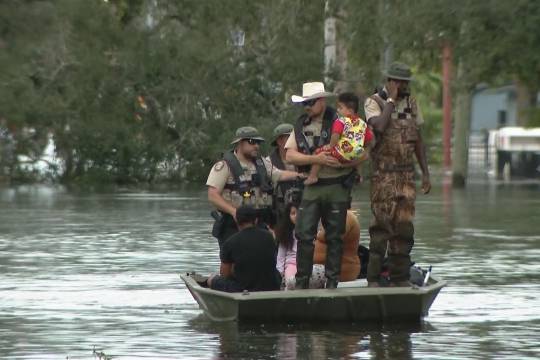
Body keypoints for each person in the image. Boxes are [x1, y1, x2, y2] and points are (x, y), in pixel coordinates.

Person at [285, 82, 369, 289]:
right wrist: (317, 161)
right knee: (304, 235)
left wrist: (346, 163)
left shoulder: (344, 122)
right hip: (312, 187)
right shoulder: (300, 125)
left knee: (335, 236)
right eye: (305, 103)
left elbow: (364, 151)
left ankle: (333, 283)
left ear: (322, 101)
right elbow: (290, 155)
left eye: (311, 102)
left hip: (337, 186)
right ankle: (301, 283)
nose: (307, 107)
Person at [363, 62, 431, 287]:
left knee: (404, 229)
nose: (403, 86)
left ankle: (399, 278)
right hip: (384, 176)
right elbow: (379, 127)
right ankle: (373, 279)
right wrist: (390, 101)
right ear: (389, 81)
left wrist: (426, 173)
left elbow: (418, 140)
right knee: (381, 228)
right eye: (399, 82)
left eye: (405, 83)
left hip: (406, 177)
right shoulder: (374, 102)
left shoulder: (412, 103)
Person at [207, 126, 299, 250]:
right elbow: (213, 195)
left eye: (258, 142)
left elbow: (280, 175)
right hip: (233, 223)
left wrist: (301, 175)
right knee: (234, 259)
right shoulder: (224, 166)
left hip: (258, 222)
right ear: (239, 143)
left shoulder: (262, 163)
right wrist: (234, 212)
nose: (256, 146)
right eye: (251, 142)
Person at [304, 92, 373, 185]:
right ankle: (359, 175)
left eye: (340, 108)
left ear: (349, 110)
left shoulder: (341, 121)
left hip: (341, 153)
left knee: (318, 152)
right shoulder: (362, 124)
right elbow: (368, 140)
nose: (338, 110)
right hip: (355, 155)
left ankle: (312, 176)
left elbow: (335, 135)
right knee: (358, 154)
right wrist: (358, 146)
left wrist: (330, 145)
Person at [208, 205, 281, 292]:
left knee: (211, 280)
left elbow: (224, 275)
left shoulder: (229, 243)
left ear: (236, 220)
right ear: (256, 220)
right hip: (272, 286)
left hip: (243, 289)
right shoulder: (269, 236)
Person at [275, 202, 326, 290]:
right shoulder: (286, 234)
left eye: (299, 212)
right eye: (293, 213)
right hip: (291, 264)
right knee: (292, 283)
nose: (296, 216)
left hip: (309, 264)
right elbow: (280, 258)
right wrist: (280, 274)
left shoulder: (313, 231)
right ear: (288, 216)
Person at [267, 123, 300, 225]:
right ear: (280, 141)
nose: (296, 141)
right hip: (279, 214)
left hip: (302, 211)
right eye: (291, 138)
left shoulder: (304, 158)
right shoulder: (268, 162)